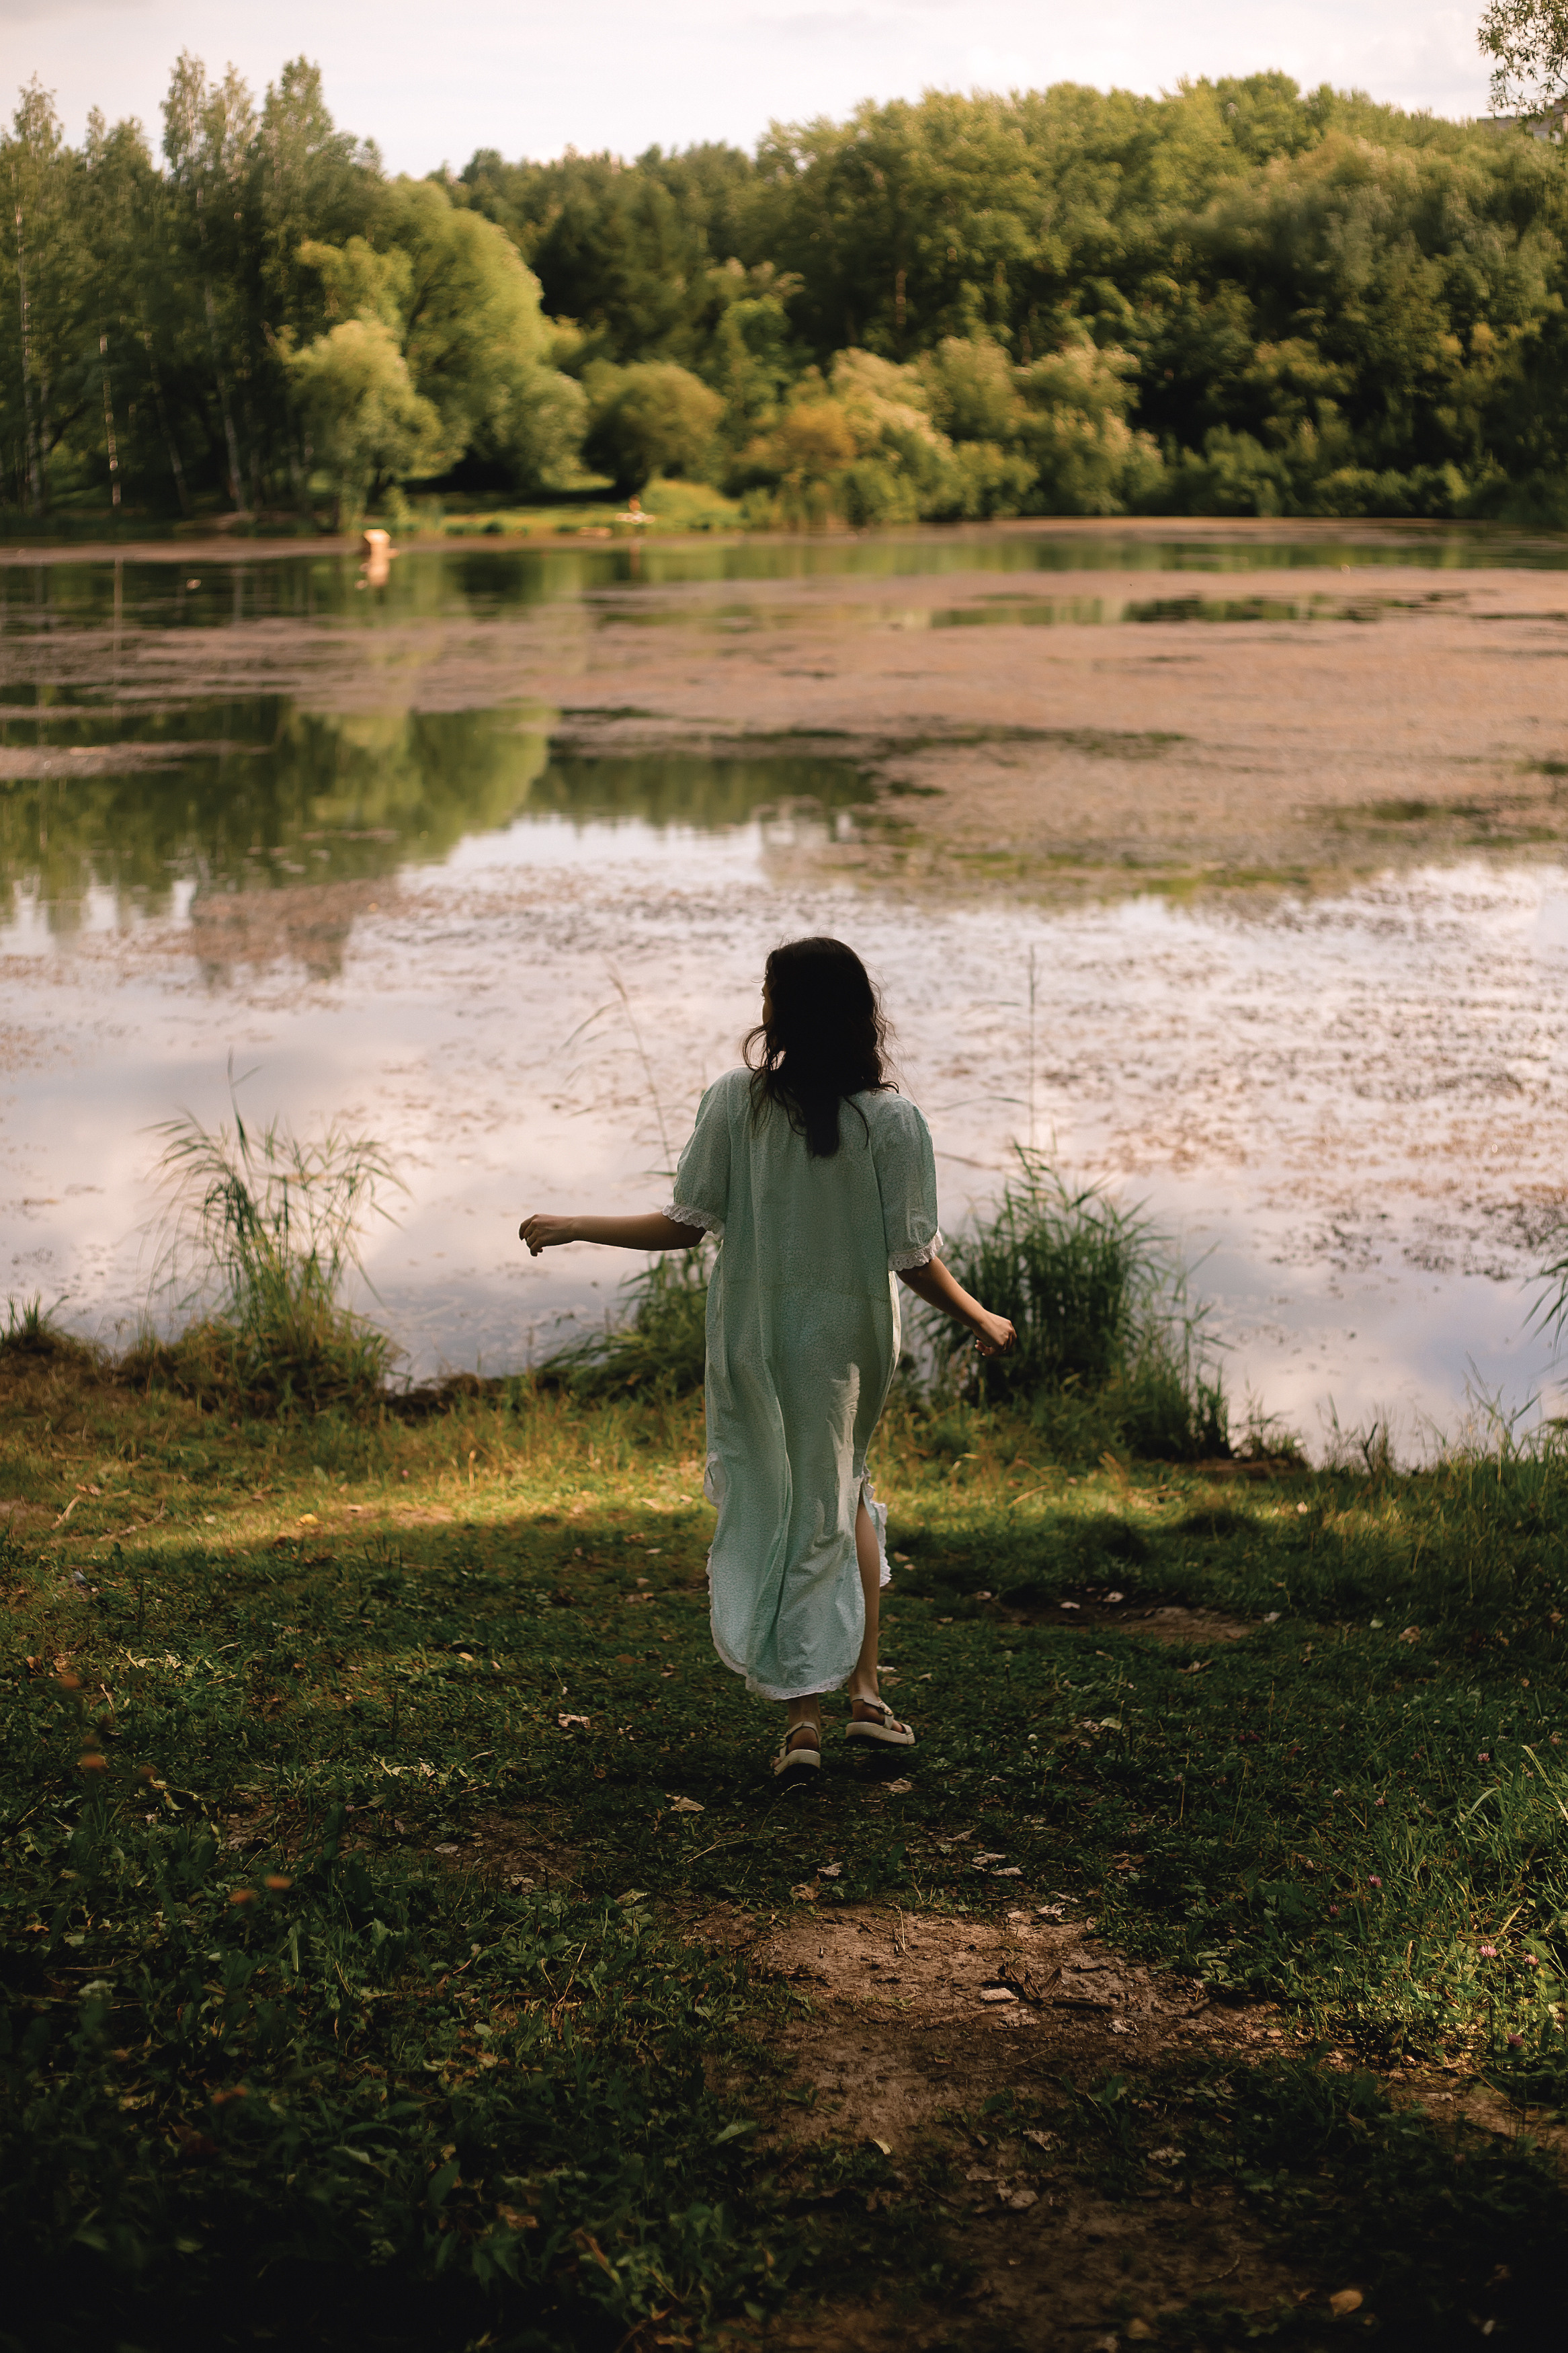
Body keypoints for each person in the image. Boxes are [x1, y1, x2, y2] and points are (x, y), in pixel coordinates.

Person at [520, 937, 1015, 1778]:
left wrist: (575, 1223)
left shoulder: (735, 1102)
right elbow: (909, 1256)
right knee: (841, 1489)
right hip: (850, 1346)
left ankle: (803, 1722)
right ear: (856, 1013)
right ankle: (865, 1696)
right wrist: (979, 1313)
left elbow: (684, 1225)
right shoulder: (892, 1120)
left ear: (782, 1010)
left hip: (755, 1334)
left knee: (787, 1494)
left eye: (767, 990)